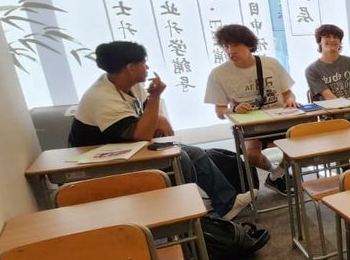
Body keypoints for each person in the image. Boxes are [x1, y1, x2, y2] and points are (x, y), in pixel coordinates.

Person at [69, 41, 253, 221]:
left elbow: (146, 116)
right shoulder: (102, 97)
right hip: (101, 158)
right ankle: (186, 214)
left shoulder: (130, 85)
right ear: (130, 68)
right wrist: (155, 96)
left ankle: (226, 204)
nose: (147, 67)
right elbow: (141, 134)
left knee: (194, 153)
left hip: (128, 147)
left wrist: (157, 114)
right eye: (143, 63)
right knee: (180, 159)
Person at [204, 24, 297, 196]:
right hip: (250, 127)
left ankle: (278, 175)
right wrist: (234, 109)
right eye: (226, 46)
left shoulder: (271, 64)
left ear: (249, 45)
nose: (230, 51)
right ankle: (277, 174)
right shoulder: (218, 74)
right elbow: (219, 111)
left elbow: (288, 93)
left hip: (279, 120)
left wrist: (291, 101)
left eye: (236, 45)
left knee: (300, 142)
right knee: (251, 155)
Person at [305, 24, 350, 101]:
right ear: (319, 41)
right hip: (331, 111)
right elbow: (331, 99)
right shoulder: (312, 70)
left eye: (336, 37)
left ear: (340, 42)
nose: (332, 40)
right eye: (327, 37)